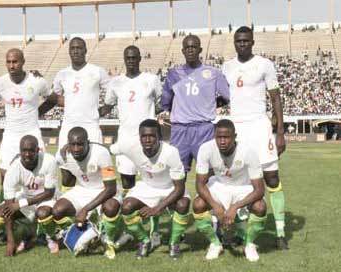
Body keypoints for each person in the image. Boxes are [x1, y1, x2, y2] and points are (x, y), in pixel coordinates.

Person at [222, 26, 288, 249]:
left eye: (246, 41)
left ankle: (280, 232)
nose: (242, 44)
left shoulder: (264, 64)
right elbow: (222, 98)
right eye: (238, 41)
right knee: (241, 180)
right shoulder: (227, 67)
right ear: (234, 43)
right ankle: (241, 232)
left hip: (260, 126)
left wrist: (280, 132)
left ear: (252, 42)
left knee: (271, 178)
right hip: (237, 129)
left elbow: (276, 98)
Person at [101, 45, 163, 247]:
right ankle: (132, 229)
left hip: (148, 144)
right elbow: (107, 105)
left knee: (152, 186)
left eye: (134, 57)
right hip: (125, 143)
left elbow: (161, 104)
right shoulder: (115, 82)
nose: (131, 60)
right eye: (128, 57)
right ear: (124, 59)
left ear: (139, 58)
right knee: (128, 187)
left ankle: (154, 232)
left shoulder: (151, 80)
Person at [193, 119, 266, 262]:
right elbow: (200, 184)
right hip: (219, 186)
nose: (222, 141)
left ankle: (249, 245)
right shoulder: (206, 149)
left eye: (226, 137)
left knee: (260, 206)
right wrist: (216, 206)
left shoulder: (248, 152)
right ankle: (215, 244)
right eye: (219, 137)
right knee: (198, 205)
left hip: (242, 188)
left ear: (235, 136)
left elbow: (259, 190)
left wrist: (235, 206)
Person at [161, 34, 230, 174]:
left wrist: (210, 104)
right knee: (177, 173)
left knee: (209, 173)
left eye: (193, 47)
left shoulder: (213, 73)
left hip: (204, 129)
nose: (190, 50)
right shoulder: (173, 74)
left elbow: (227, 97)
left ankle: (207, 196)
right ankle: (181, 197)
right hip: (180, 130)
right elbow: (165, 102)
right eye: (187, 47)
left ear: (200, 49)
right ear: (183, 51)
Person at [47, 127, 120, 259]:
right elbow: (59, 173)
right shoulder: (63, 155)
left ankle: (107, 239)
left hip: (104, 189)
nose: (76, 148)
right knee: (57, 210)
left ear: (88, 142)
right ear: (67, 144)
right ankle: (82, 234)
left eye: (80, 144)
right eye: (72, 144)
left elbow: (111, 189)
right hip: (82, 189)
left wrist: (85, 209)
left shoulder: (101, 153)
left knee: (111, 207)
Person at [121, 119, 190, 260]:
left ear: (159, 137)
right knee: (126, 207)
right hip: (147, 187)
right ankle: (144, 241)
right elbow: (110, 149)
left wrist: (158, 208)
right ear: (139, 137)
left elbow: (179, 188)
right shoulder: (131, 147)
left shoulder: (171, 152)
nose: (147, 139)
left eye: (151, 136)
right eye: (143, 136)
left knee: (183, 204)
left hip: (170, 188)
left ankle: (174, 243)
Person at [0, 48, 55, 191]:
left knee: (41, 170)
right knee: (4, 173)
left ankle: (41, 200)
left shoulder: (37, 81)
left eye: (15, 62)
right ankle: (6, 203)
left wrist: (37, 112)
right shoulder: (0, 82)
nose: (12, 65)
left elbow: (53, 99)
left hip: (32, 132)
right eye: (9, 62)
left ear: (23, 62)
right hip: (11, 134)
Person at [0, 135, 58, 257]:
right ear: (20, 151)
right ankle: (26, 234)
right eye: (24, 150)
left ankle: (51, 235)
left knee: (42, 213)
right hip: (28, 197)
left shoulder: (49, 160)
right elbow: (9, 206)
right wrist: (10, 242)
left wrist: (21, 204)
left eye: (31, 151)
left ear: (38, 150)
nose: (27, 154)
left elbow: (49, 192)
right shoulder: (13, 169)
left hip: (48, 199)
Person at [52, 37, 110, 149]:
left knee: (95, 162)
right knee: (65, 163)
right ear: (69, 51)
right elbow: (54, 98)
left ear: (85, 50)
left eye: (79, 48)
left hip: (91, 125)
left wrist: (106, 108)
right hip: (68, 125)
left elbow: (113, 91)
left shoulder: (97, 71)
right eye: (72, 48)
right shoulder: (62, 74)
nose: (75, 51)